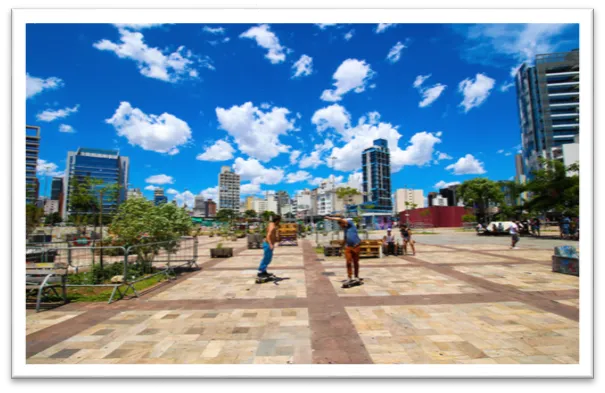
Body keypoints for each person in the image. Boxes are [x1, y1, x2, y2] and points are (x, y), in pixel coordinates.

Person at [325, 215, 362, 287]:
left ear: (343, 222)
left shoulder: (350, 224)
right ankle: (349, 277)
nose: (340, 226)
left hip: (356, 246)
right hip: (348, 247)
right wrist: (340, 248)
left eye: (340, 224)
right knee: (348, 262)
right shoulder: (345, 229)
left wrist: (330, 218)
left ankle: (356, 276)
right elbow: (345, 239)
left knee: (355, 262)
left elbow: (340, 219)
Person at [257, 215, 281, 280]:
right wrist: (270, 244)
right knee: (266, 259)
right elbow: (268, 235)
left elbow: (274, 236)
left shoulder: (272, 225)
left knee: (268, 259)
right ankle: (260, 272)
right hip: (268, 245)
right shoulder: (272, 226)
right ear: (277, 221)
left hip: (268, 244)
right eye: (279, 221)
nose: (280, 222)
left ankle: (264, 271)